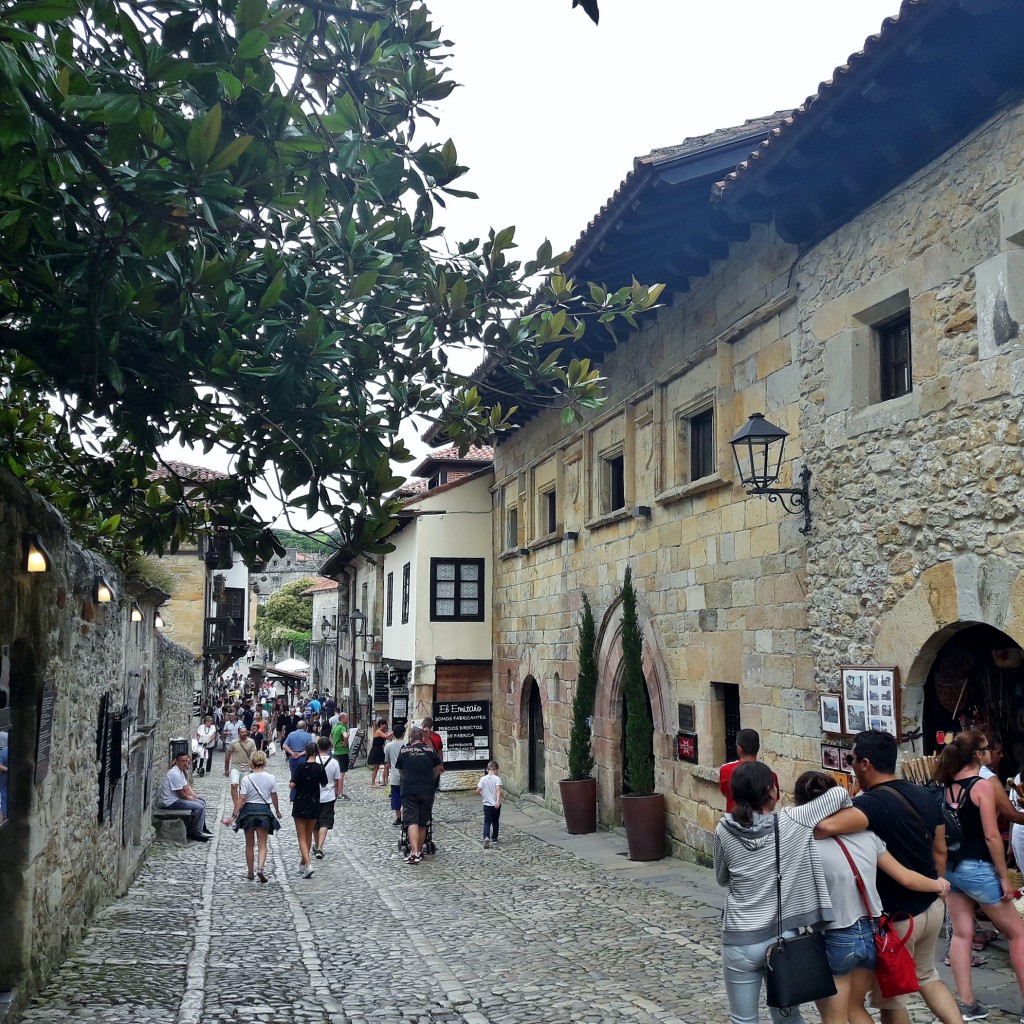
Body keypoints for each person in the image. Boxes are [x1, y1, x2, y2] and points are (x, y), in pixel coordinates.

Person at [814, 730, 963, 1024]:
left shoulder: (871, 805)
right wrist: (935, 887)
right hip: (931, 905)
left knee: (892, 998)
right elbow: (940, 849)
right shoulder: (924, 795)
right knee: (927, 976)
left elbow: (823, 828)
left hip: (899, 916)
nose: (851, 766)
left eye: (852, 760)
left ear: (866, 764)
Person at [714, 760, 852, 1024]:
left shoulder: (724, 828)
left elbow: (721, 878)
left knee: (743, 1020)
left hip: (740, 938)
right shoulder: (793, 820)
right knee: (788, 1018)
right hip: (782, 938)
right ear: (771, 791)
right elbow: (838, 794)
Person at [935, 729, 1024, 1021]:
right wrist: (1004, 876)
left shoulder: (947, 785)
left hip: (953, 868)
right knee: (1018, 934)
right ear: (978, 754)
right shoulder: (982, 786)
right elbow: (991, 836)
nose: (991, 752)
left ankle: (968, 1004)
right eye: (986, 748)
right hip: (978, 869)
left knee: (962, 934)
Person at [231, 749, 281, 881]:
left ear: (252, 762)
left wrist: (234, 815)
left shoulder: (247, 779)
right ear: (264, 762)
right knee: (263, 844)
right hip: (264, 811)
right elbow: (274, 796)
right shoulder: (270, 778)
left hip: (248, 812)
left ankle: (250, 872)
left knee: (249, 845)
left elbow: (242, 798)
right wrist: (277, 810)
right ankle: (260, 868)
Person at [395, 726, 442, 865]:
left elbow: (400, 770)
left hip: (409, 789)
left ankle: (414, 852)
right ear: (422, 739)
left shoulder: (404, 751)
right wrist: (431, 779)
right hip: (427, 789)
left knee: (411, 821)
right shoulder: (430, 750)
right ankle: (420, 851)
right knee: (422, 822)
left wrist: (406, 780)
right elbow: (438, 768)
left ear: (411, 739)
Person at [718, 728, 779, 815]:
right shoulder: (770, 774)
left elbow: (725, 792)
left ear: (739, 749)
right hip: (761, 819)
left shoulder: (726, 769)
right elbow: (774, 798)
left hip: (734, 817)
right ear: (758, 748)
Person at [290, 741, 328, 878]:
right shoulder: (320, 768)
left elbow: (292, 785)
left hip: (300, 802)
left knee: (301, 836)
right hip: (314, 803)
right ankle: (303, 862)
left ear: (306, 752)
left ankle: (308, 864)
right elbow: (324, 784)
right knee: (308, 834)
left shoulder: (301, 767)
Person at [157, 753, 212, 842]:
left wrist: (194, 796)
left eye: (186, 761)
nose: (186, 763)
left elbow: (186, 787)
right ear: (177, 762)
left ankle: (202, 828)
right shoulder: (174, 774)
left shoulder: (180, 771)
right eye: (183, 761)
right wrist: (190, 799)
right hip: (170, 802)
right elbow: (181, 795)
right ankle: (195, 832)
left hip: (176, 800)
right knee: (199, 807)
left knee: (202, 802)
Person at [311, 737, 342, 861]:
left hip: (314, 795)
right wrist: (337, 793)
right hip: (328, 796)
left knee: (315, 822)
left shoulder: (313, 760)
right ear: (329, 747)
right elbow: (338, 779)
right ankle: (320, 847)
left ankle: (317, 844)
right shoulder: (334, 762)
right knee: (325, 822)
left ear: (318, 747)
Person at [223, 725, 256, 811]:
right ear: (238, 733)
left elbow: (254, 755)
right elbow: (228, 756)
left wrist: (254, 767)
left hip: (246, 769)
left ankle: (243, 804)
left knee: (244, 788)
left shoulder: (251, 742)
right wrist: (226, 769)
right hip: (235, 767)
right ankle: (236, 805)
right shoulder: (233, 743)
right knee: (234, 785)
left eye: (245, 732)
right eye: (242, 732)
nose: (244, 733)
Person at [283, 717, 315, 801]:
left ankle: (293, 795)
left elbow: (284, 745)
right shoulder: (308, 736)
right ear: (305, 727)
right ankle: (302, 794)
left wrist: (292, 753)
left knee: (293, 775)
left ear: (297, 726)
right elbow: (310, 748)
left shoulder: (291, 734)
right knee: (304, 776)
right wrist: (301, 754)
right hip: (303, 757)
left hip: (293, 757)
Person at [477, 759, 502, 849]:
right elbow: (498, 790)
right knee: (495, 822)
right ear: (496, 769)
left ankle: (486, 836)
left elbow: (477, 791)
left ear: (487, 769)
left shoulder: (483, 779)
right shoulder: (497, 779)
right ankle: (494, 838)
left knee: (487, 821)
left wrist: (482, 795)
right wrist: (497, 801)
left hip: (487, 804)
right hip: (495, 804)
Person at [384, 724, 406, 826]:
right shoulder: (407, 745)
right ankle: (406, 816)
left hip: (394, 775)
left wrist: (386, 777)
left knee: (396, 797)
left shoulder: (389, 746)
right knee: (406, 797)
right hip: (406, 775)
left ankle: (398, 818)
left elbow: (387, 763)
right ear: (403, 734)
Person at [331, 711, 350, 799]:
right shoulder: (342, 727)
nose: (348, 720)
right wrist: (345, 742)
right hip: (342, 752)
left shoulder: (335, 727)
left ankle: (335, 792)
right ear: (342, 719)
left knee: (336, 774)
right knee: (341, 774)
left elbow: (331, 737)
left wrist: (334, 745)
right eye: (347, 718)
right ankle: (340, 793)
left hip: (336, 752)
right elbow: (345, 736)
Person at [421, 717, 443, 790]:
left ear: (423, 725)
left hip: (423, 764)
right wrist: (441, 765)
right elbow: (440, 753)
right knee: (433, 787)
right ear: (431, 726)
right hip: (435, 764)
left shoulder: (421, 736)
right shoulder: (437, 736)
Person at [368, 719, 391, 788]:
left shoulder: (382, 732)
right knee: (376, 767)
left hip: (380, 750)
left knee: (386, 765)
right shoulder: (378, 732)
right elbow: (387, 737)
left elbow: (388, 738)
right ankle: (373, 783)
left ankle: (385, 781)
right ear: (381, 725)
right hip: (376, 751)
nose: (385, 726)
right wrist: (393, 732)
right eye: (384, 724)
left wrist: (390, 734)